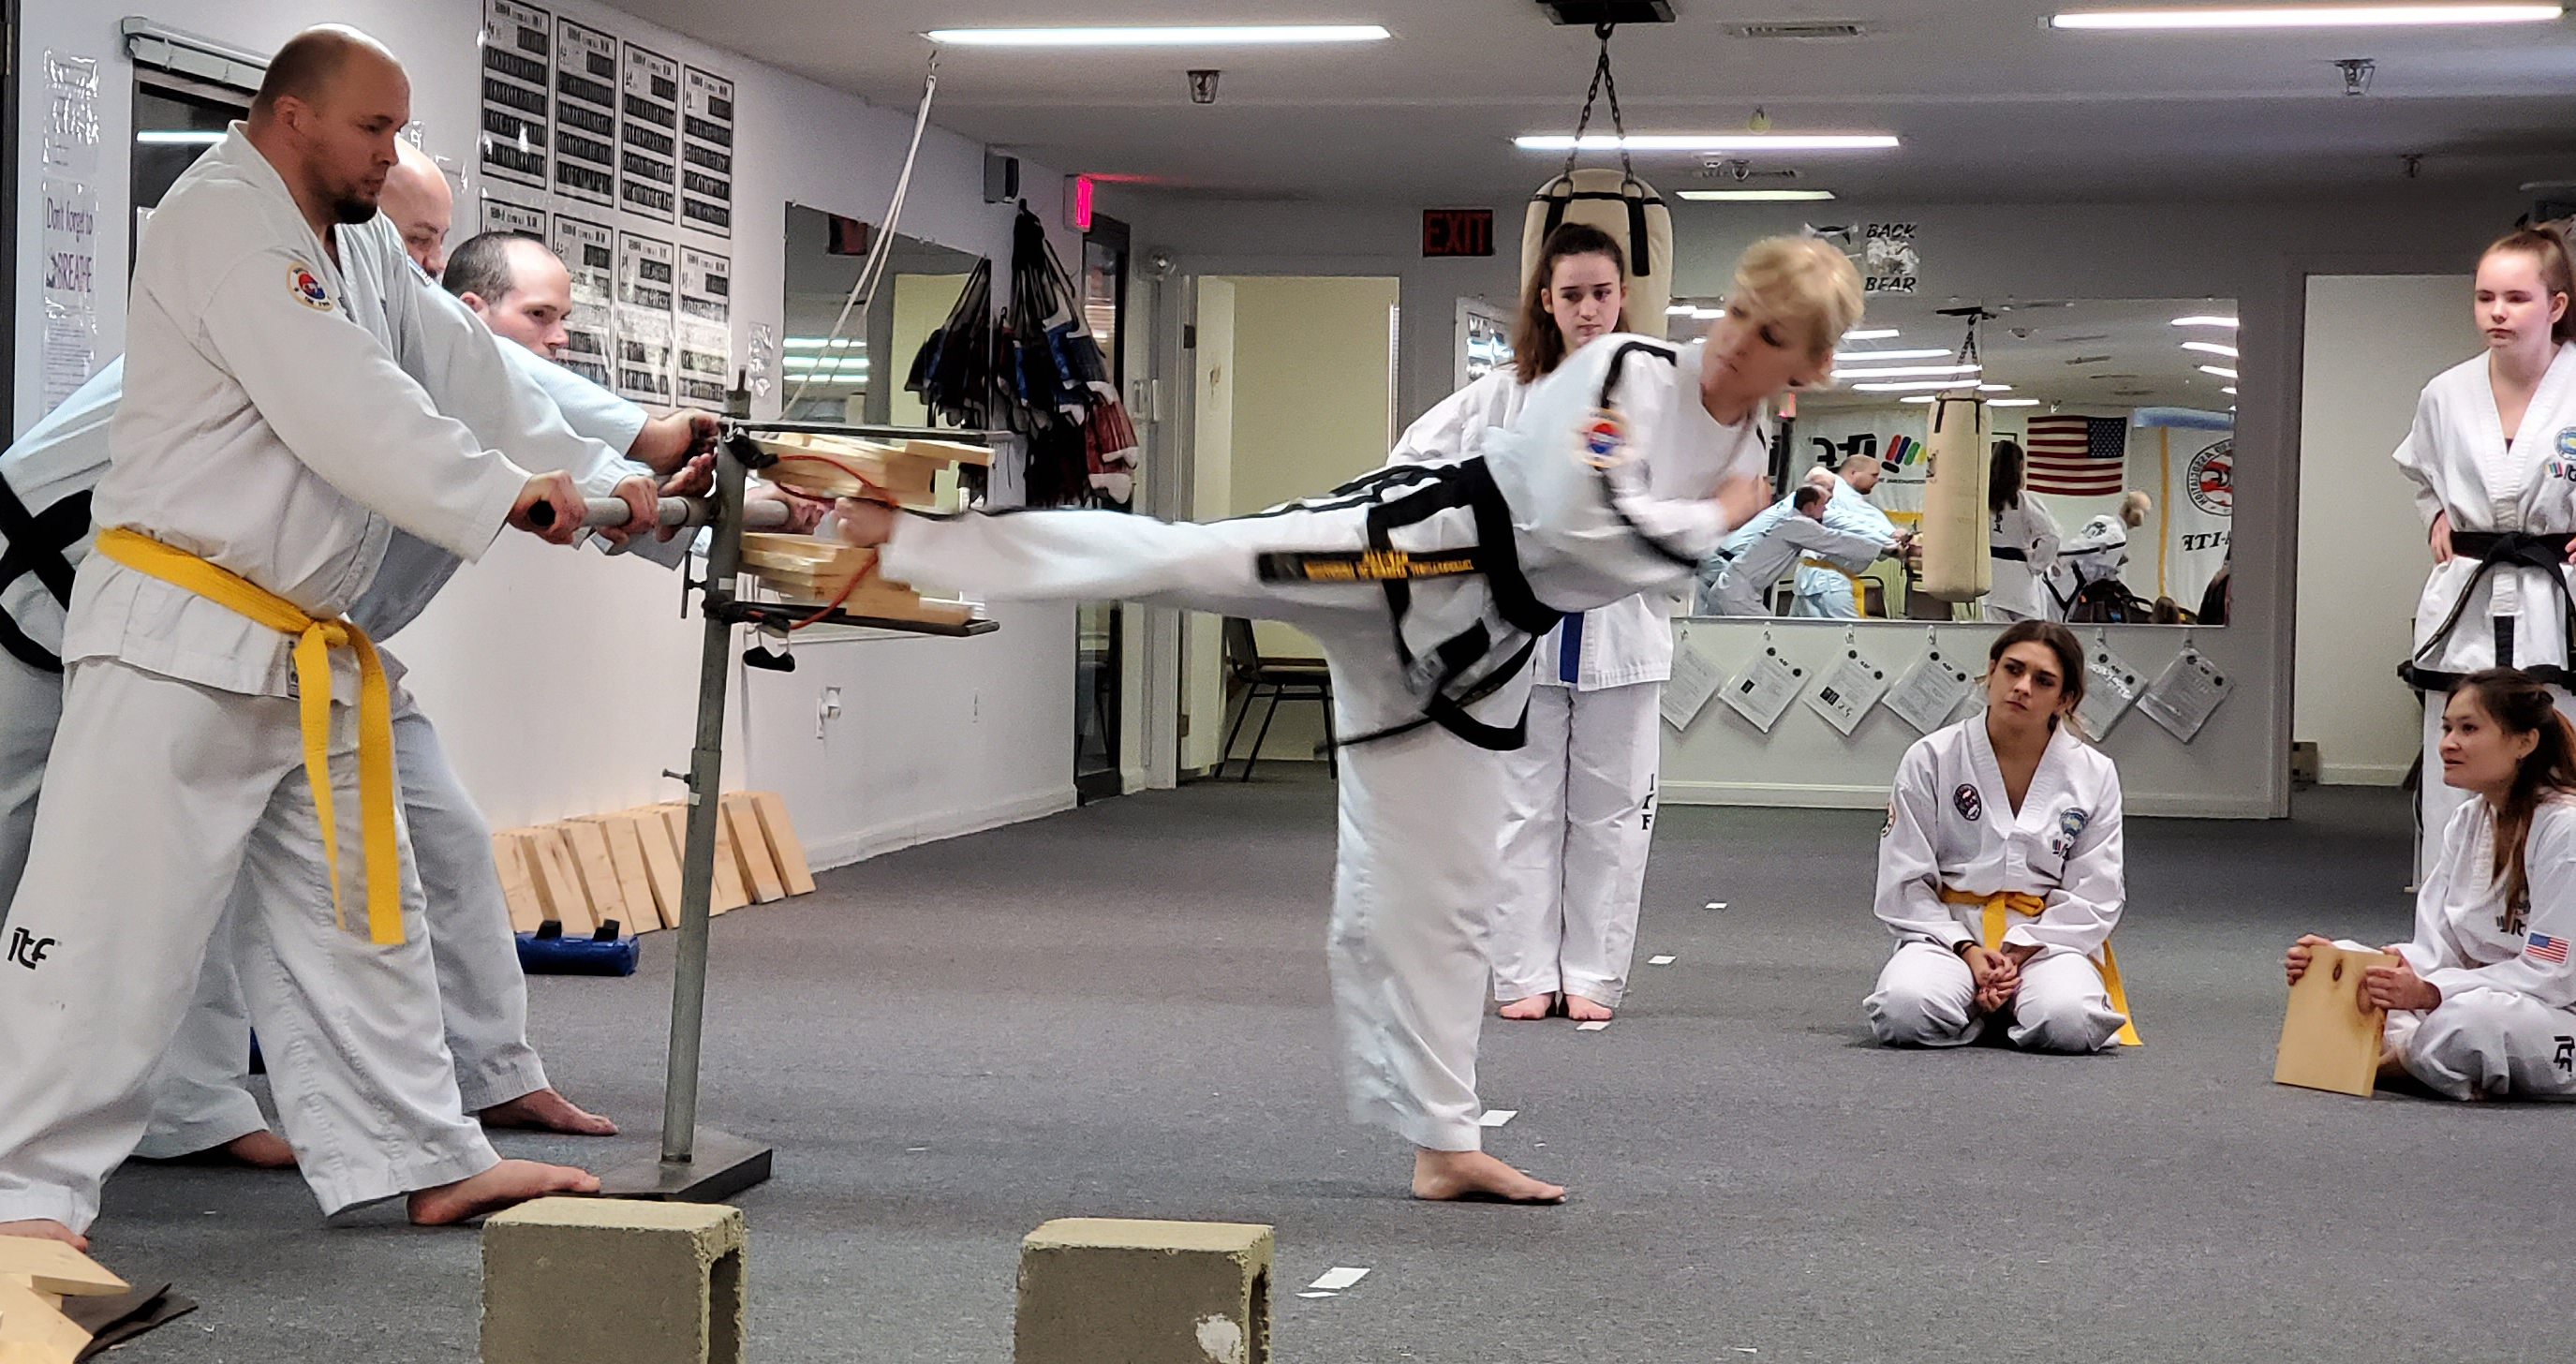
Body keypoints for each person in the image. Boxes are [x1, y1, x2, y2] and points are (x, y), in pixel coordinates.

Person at [830, 236, 1861, 1203]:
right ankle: (905, 538)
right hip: (1401, 551)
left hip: (1471, 656)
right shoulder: (1626, 373)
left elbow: (1614, 562)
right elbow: (1587, 528)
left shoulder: (1741, 447)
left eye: (1766, 335)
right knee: (1188, 558)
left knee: (1446, 891)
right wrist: (1718, 516)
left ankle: (1441, 1142)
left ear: (1802, 369)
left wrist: (1716, 513)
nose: (1733, 339)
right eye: (1732, 312)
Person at [0, 26, 611, 1247]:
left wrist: (649, 488)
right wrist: (520, 491)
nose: (401, 215)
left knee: (361, 903)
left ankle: (425, 1150)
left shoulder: (373, 272)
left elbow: (519, 402)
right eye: (374, 148)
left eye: (421, 211)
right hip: (133, 624)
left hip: (292, 652)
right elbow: (360, 417)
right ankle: (28, 1194)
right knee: (110, 915)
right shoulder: (242, 247)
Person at [1390, 223, 1669, 1024]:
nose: (1587, 310)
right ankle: (1520, 975)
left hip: (1622, 633)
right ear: (1546, 301)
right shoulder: (1501, 393)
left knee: (1611, 815)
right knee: (1521, 808)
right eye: (1572, 295)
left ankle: (1593, 975)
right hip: (1521, 635)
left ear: (1622, 299)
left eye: (1601, 294)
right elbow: (1413, 460)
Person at [2286, 669, 2576, 1099]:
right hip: (2475, 994)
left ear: (2524, 742)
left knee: (2470, 1022)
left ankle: (2395, 1064)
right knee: (2345, 963)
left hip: (2554, 1011)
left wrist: (2431, 991)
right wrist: (2364, 969)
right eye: (2446, 728)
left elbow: (2553, 976)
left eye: (2469, 729)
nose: (2448, 744)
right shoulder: (2468, 821)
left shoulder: (2565, 829)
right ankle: (2427, 1062)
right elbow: (2436, 948)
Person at [2393, 225, 2576, 880]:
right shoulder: (2446, 392)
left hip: (2557, 597)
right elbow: (2420, 472)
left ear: (2556, 305)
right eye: (2485, 297)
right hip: (2468, 591)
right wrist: (2437, 513)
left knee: (2560, 764)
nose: (2498, 312)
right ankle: (2447, 940)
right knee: (2458, 763)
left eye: (2518, 298)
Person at [1863, 620, 2136, 1053]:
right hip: (1949, 933)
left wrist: (2018, 954)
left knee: (2071, 1022)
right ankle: (1982, 1002)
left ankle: (2001, 1003)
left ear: (2064, 700)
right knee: (1903, 1010)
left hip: (2046, 939)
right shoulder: (1931, 757)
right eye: (2012, 669)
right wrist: (1969, 951)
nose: (2022, 687)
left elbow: (2096, 890)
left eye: (2043, 680)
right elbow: (1905, 876)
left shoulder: (2093, 774)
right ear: (1991, 672)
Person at [1698, 480, 1900, 617]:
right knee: (1770, 641)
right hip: (1738, 592)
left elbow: (1844, 527)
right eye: (1824, 504)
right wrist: (1886, 548)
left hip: (1730, 586)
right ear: (1810, 507)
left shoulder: (1790, 522)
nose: (1827, 510)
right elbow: (1836, 540)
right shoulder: (1798, 524)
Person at [1791, 451, 1899, 617]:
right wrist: (1892, 539)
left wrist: (1890, 538)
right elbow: (1851, 522)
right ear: (1854, 473)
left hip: (1814, 575)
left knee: (1805, 635)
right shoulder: (1839, 493)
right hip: (1828, 578)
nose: (1876, 481)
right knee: (1849, 635)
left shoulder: (1843, 496)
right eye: (1873, 475)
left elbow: (1853, 520)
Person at [1983, 438, 2060, 623]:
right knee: (2028, 639)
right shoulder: (2025, 502)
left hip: (1990, 580)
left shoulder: (1981, 503)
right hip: (2020, 580)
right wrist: (2037, 564)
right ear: (2021, 466)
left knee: (1998, 642)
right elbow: (2051, 537)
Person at [2044, 491, 2150, 621]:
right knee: (2052, 626)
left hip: (2055, 575)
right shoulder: (2118, 538)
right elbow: (2084, 550)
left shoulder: (2101, 519)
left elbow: (2087, 549)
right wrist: (2057, 555)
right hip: (2067, 586)